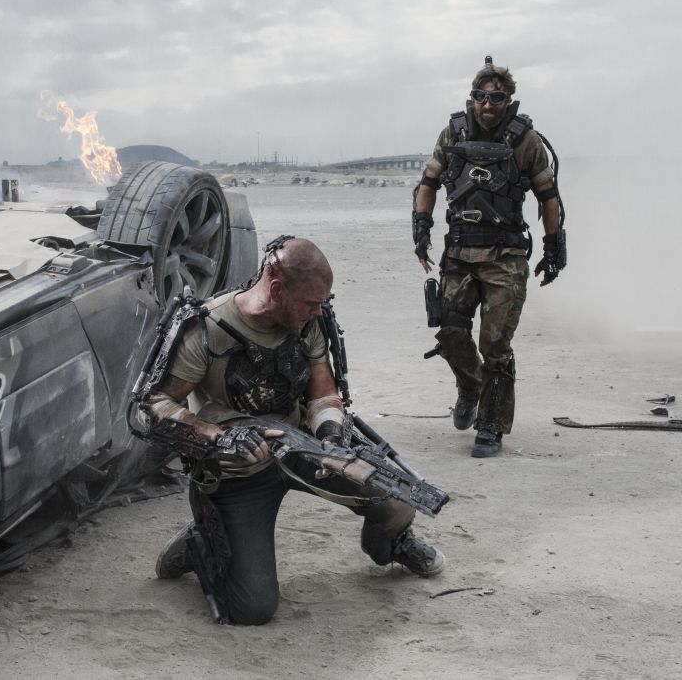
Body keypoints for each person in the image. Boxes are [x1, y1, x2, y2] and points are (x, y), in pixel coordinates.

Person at [141, 237, 445, 626]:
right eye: (310, 302)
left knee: (399, 503)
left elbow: (323, 395)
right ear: (277, 289)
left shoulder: (307, 322)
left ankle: (391, 547)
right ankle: (205, 539)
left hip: (305, 448)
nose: (318, 310)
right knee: (252, 609)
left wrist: (333, 439)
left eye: (322, 302)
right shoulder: (208, 328)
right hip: (239, 470)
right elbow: (158, 404)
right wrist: (216, 436)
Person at [412, 56, 566, 458]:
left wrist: (554, 247)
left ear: (508, 100)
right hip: (460, 251)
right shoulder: (453, 132)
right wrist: (421, 227)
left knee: (495, 344)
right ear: (472, 98)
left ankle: (491, 425)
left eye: (496, 97)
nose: (488, 104)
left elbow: (548, 197)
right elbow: (428, 182)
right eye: (481, 96)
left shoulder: (526, 141)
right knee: (450, 330)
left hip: (506, 256)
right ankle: (469, 386)